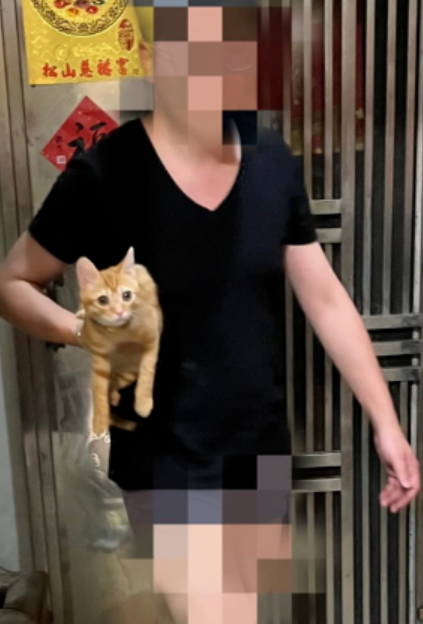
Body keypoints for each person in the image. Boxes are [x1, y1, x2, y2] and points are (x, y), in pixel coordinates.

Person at [0, 5, 420, 624]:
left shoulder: (272, 163)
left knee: (244, 610)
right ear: (152, 62)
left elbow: (327, 300)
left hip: (257, 447)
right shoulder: (108, 172)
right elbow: (13, 283)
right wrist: (83, 332)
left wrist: (387, 424)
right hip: (164, 455)